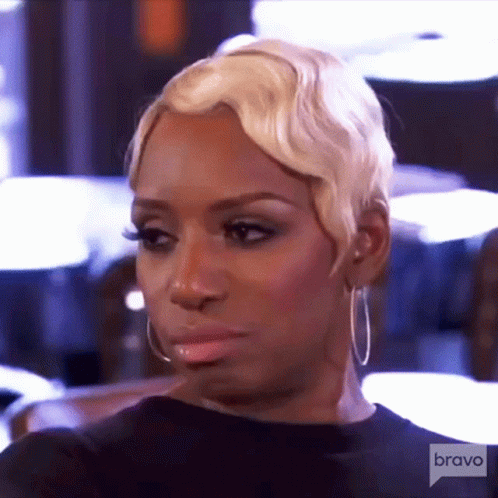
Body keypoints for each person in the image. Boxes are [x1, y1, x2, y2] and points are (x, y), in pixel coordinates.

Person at [0, 38, 496, 498]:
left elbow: (438, 463)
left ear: (364, 245)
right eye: (156, 237)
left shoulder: (461, 468)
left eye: (245, 231)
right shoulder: (66, 476)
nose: (188, 285)